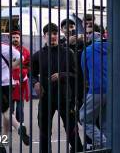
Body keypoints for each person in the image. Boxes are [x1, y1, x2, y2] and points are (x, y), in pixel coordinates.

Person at [31, 23, 83, 153]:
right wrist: (35, 83)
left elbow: (76, 75)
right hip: (45, 98)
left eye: (55, 34)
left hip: (65, 97)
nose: (53, 37)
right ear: (44, 36)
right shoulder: (38, 55)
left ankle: (77, 149)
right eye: (49, 34)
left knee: (71, 128)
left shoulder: (68, 53)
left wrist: (62, 75)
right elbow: (31, 73)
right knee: (44, 130)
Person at [0, 25, 30, 145]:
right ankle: (5, 136)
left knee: (5, 110)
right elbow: (21, 57)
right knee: (6, 108)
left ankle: (18, 126)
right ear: (0, 35)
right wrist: (12, 66)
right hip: (8, 83)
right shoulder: (7, 47)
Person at [79, 32, 109, 149]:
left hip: (96, 89)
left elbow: (84, 71)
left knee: (84, 119)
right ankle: (108, 147)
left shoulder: (88, 50)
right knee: (106, 122)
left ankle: (102, 142)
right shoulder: (112, 49)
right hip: (111, 90)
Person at [10, 30, 31, 128]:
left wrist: (24, 72)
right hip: (8, 80)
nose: (15, 39)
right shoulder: (6, 50)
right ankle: (10, 122)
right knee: (9, 104)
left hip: (20, 81)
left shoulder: (25, 51)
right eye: (13, 37)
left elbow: (29, 65)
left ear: (20, 39)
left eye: (17, 37)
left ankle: (20, 122)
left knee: (19, 103)